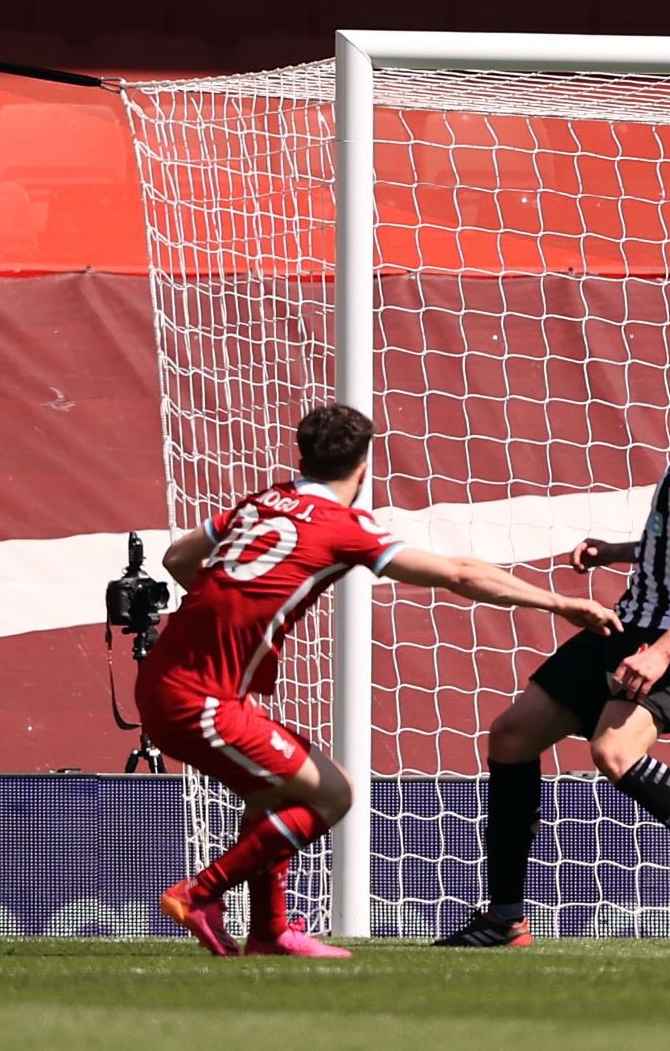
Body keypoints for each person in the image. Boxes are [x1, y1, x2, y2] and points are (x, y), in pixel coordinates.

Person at [143, 403, 621, 958]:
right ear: (365, 465)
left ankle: (270, 931)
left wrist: (223, 615)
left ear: (302, 456)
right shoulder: (343, 528)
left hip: (170, 680)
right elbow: (460, 574)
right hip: (200, 700)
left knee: (273, 793)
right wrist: (561, 602)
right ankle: (201, 893)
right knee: (334, 794)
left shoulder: (261, 503)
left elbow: (178, 558)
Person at [434, 313, 670, 949]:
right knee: (512, 737)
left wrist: (662, 653)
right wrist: (616, 550)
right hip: (634, 618)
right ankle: (505, 915)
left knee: (615, 753)